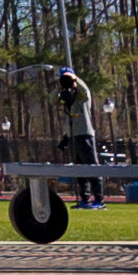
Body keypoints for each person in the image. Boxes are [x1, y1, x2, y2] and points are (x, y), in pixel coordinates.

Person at [55, 68, 104, 208]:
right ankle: (84, 198)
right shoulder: (65, 95)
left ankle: (99, 200)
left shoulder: (82, 96)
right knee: (79, 169)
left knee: (92, 167)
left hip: (85, 134)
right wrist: (59, 87)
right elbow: (53, 100)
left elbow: (87, 93)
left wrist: (75, 80)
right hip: (72, 136)